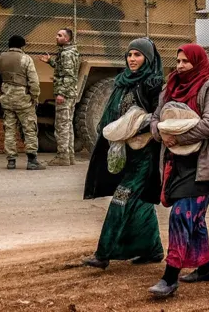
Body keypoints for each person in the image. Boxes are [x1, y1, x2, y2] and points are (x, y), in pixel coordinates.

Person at [148, 44, 209, 298]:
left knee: (181, 216)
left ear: (197, 63)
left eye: (186, 61)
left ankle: (169, 277)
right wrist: (161, 134)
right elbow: (156, 118)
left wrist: (179, 138)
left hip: (203, 166)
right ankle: (205, 268)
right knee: (194, 219)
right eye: (178, 61)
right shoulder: (170, 87)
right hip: (175, 165)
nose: (180, 66)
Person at [82, 38, 165, 270]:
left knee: (121, 198)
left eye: (137, 55)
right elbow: (110, 113)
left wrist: (137, 125)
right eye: (129, 55)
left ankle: (103, 253)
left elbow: (160, 117)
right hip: (124, 153)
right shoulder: (122, 81)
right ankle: (153, 250)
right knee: (141, 202)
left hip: (145, 155)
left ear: (148, 58)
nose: (132, 59)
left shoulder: (154, 84)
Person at [0, 35, 46, 170]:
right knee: (29, 129)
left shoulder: (0, 59)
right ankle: (32, 160)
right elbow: (33, 81)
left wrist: (0, 93)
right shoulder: (26, 59)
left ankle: (11, 161)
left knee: (9, 129)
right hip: (24, 99)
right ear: (22, 46)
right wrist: (34, 96)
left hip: (7, 99)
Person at [40, 28, 80, 166]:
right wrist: (50, 62)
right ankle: (69, 156)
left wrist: (61, 93)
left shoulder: (67, 54)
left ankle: (62, 157)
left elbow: (68, 75)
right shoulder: (69, 52)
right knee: (67, 124)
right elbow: (63, 69)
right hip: (71, 93)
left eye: (60, 35)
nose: (56, 37)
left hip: (66, 94)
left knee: (61, 126)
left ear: (67, 39)